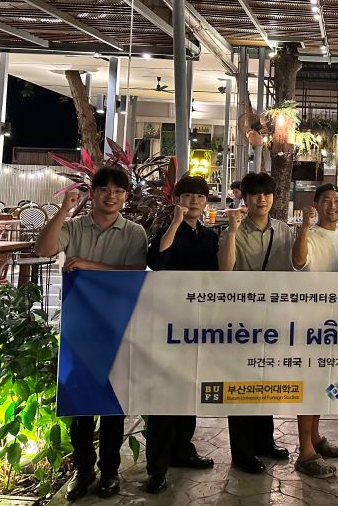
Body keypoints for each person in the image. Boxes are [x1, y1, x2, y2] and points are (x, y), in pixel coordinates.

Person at [36, 166, 148, 501]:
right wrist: (64, 209)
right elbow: (44, 248)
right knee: (80, 404)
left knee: (114, 404)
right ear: (93, 193)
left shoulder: (134, 233)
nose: (111, 196)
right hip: (80, 326)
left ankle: (110, 471)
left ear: (126, 196)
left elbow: (134, 273)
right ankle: (83, 470)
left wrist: (89, 265)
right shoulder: (74, 227)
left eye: (118, 190)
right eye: (104, 189)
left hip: (118, 326)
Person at [218, 172, 297, 474]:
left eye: (266, 194)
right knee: (241, 382)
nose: (261, 199)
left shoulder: (284, 230)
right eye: (255, 194)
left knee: (265, 378)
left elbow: (296, 269)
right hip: (241, 318)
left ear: (273, 198)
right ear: (245, 197)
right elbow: (225, 270)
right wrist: (232, 233)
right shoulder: (234, 229)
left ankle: (265, 441)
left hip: (273, 318)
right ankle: (242, 451)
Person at [143, 175, 217, 494]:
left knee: (189, 389)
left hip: (198, 324)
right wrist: (174, 223)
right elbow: (158, 262)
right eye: (188, 196)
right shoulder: (165, 230)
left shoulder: (209, 235)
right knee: (164, 395)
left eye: (200, 196)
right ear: (177, 200)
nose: (195, 201)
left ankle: (183, 450)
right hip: (168, 324)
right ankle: (157, 467)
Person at [290, 183, 338, 478]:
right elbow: (299, 262)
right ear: (316, 205)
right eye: (326, 200)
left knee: (322, 382)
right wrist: (304, 228)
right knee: (310, 383)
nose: (332, 205)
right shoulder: (310, 235)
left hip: (332, 323)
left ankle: (315, 436)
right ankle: (305, 452)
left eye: (337, 200)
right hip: (310, 322)